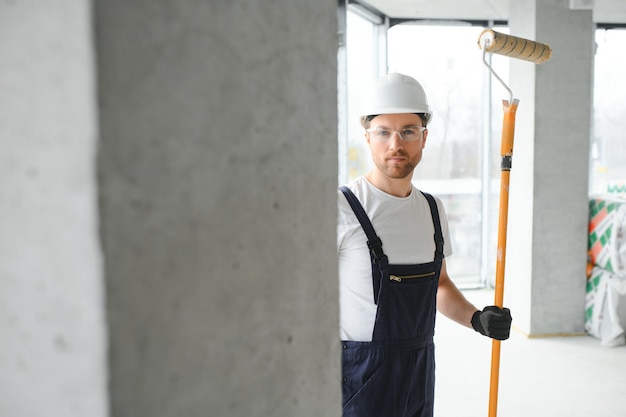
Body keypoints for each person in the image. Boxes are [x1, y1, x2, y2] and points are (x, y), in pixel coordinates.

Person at [337, 72, 512, 417]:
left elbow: (440, 285)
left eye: (408, 131)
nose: (395, 145)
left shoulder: (432, 210)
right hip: (356, 380)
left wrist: (477, 319)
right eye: (383, 132)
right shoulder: (342, 208)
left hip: (417, 371)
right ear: (367, 137)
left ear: (424, 137)